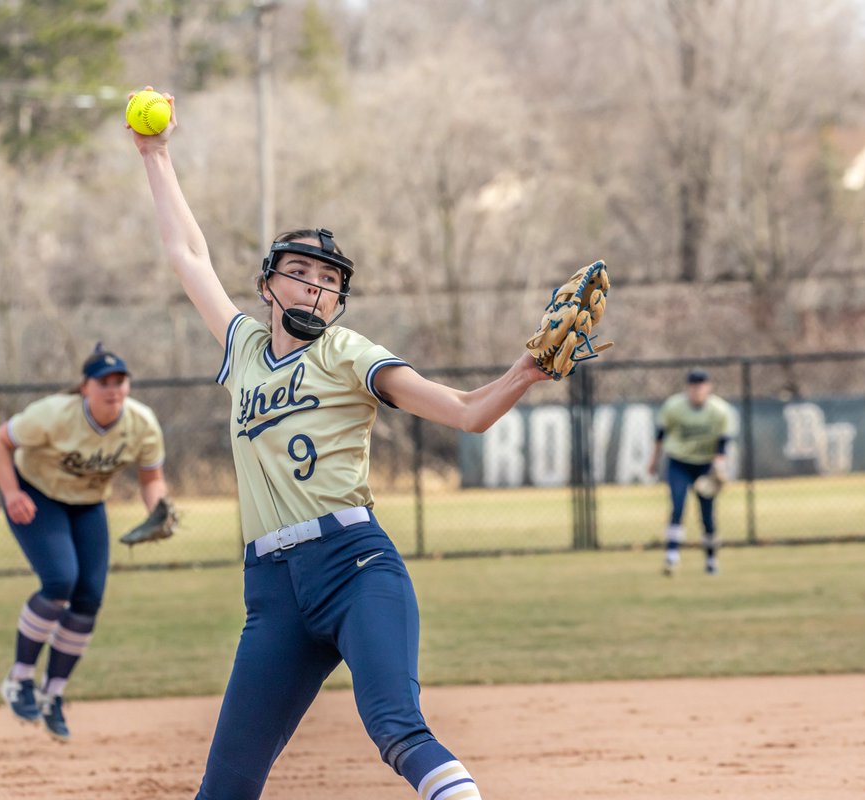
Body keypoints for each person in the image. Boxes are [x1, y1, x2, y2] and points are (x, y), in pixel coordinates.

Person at [131, 90, 552, 800]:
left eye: (331, 282)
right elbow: (186, 254)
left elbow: (465, 412)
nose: (318, 288)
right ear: (267, 284)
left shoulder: (350, 354)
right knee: (225, 786)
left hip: (355, 567)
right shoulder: (243, 350)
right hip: (271, 595)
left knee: (396, 727)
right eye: (302, 272)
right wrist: (156, 153)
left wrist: (525, 371)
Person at [0, 344, 168, 741]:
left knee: (89, 596)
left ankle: (53, 695)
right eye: (103, 381)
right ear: (85, 387)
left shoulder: (142, 423)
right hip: (37, 495)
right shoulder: (53, 414)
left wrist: (159, 511)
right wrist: (11, 492)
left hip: (87, 504)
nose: (113, 388)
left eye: (119, 381)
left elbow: (151, 478)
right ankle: (19, 680)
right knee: (60, 581)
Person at [647, 368, 736, 576]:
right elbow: (661, 434)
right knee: (677, 506)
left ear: (708, 387)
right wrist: (654, 460)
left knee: (707, 514)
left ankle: (711, 559)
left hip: (705, 465)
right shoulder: (674, 407)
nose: (697, 390)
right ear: (688, 388)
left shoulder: (719, 410)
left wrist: (719, 466)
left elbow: (722, 443)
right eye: (694, 386)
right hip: (680, 462)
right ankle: (671, 555)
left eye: (701, 386)